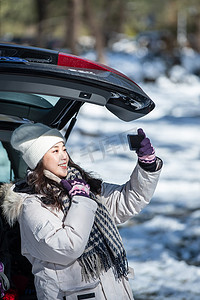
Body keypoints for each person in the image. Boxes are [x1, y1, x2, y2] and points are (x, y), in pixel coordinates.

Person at [1, 123, 162, 300]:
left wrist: (147, 167)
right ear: (38, 159)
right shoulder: (31, 205)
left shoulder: (82, 184)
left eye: (64, 149)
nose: (64, 157)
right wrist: (81, 200)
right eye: (55, 151)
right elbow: (68, 247)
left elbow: (127, 200)